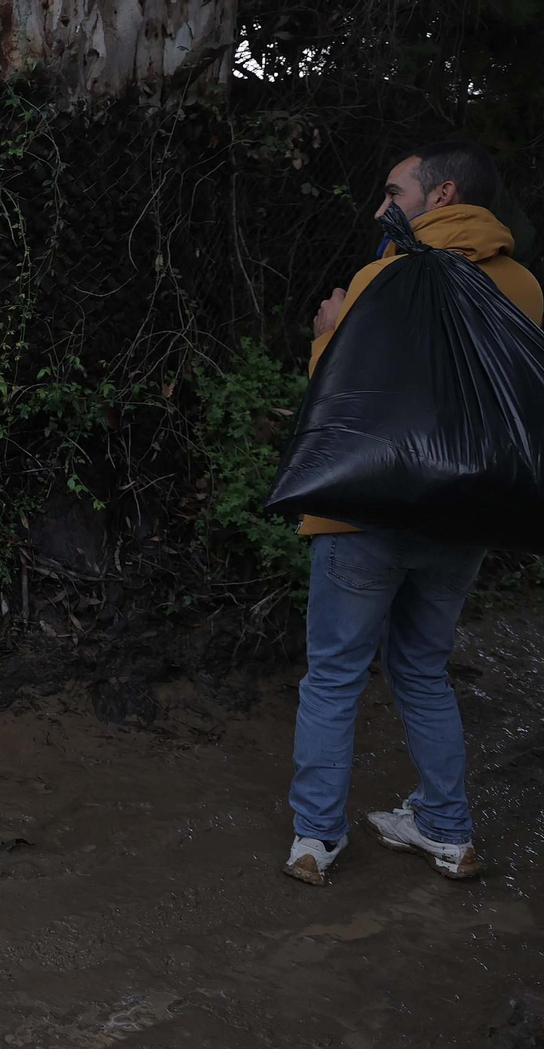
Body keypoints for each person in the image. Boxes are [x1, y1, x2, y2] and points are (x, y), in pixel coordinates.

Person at [284, 140, 544, 885]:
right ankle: (447, 831)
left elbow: (340, 405)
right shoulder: (523, 286)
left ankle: (315, 840)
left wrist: (328, 332)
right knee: (424, 669)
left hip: (367, 513)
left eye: (394, 192)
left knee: (334, 675)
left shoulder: (382, 277)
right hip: (465, 516)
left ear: (442, 194)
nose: (381, 207)